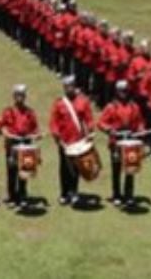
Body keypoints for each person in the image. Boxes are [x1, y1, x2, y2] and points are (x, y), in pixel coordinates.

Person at [97, 79, 144, 207]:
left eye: (125, 91)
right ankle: (116, 195)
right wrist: (109, 130)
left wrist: (140, 130)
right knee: (116, 169)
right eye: (121, 91)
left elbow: (140, 122)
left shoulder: (134, 106)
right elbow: (101, 122)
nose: (124, 93)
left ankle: (129, 195)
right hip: (116, 142)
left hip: (130, 141)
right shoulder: (111, 107)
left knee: (130, 169)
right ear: (116, 92)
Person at [50, 75, 95, 206]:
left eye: (71, 86)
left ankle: (74, 192)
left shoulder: (83, 101)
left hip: (78, 141)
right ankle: (64, 193)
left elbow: (89, 119)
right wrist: (56, 136)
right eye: (66, 87)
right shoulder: (59, 103)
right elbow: (53, 122)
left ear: (74, 86)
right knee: (64, 168)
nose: (69, 89)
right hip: (64, 141)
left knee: (76, 168)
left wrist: (90, 132)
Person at [0, 84, 39, 209]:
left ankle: (23, 196)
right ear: (14, 96)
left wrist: (36, 135)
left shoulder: (30, 112)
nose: (20, 97)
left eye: (22, 95)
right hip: (12, 145)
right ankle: (12, 197)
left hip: (26, 144)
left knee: (24, 172)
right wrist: (4, 132)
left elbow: (35, 128)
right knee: (12, 172)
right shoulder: (8, 111)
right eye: (17, 95)